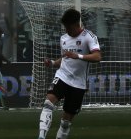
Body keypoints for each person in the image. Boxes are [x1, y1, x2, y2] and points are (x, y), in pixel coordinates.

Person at [37, 8, 102, 139]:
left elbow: (97, 56)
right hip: (62, 76)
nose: (66, 30)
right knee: (48, 103)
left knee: (66, 122)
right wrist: (53, 63)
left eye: (67, 27)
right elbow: (65, 58)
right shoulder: (63, 39)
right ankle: (41, 137)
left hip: (78, 84)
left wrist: (77, 55)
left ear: (75, 25)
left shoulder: (89, 37)